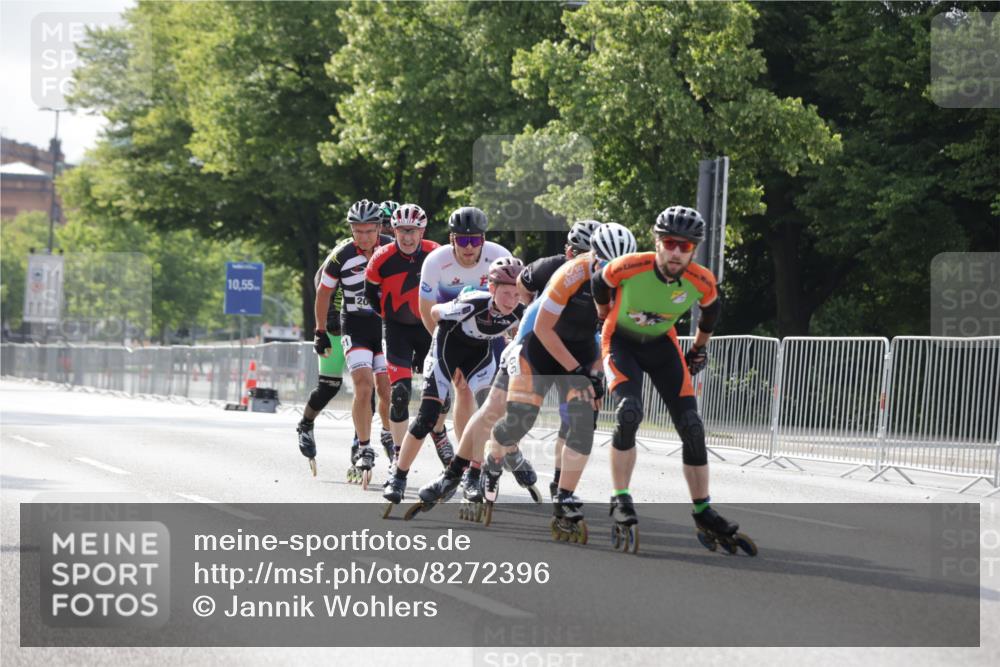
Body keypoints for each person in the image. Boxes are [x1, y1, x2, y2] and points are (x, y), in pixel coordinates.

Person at [592, 205, 742, 552]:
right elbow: (600, 282)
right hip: (621, 342)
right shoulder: (629, 266)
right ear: (657, 242)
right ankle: (621, 498)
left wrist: (699, 351)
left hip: (662, 346)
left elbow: (711, 311)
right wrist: (602, 315)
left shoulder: (701, 281)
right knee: (630, 411)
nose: (676, 252)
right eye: (670, 243)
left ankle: (703, 509)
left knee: (691, 424)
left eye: (686, 246)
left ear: (694, 249)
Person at [488, 223, 637, 543]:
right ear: (592, 257)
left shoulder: (630, 281)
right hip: (540, 344)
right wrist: (576, 371)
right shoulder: (570, 273)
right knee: (519, 421)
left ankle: (563, 492)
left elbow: (613, 335)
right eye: (604, 265)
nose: (610, 274)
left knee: (582, 421)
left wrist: (596, 374)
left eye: (618, 267)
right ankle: (494, 453)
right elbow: (543, 328)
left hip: (583, 348)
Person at [382, 260, 525, 514]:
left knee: (487, 414)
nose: (511, 300)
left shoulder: (519, 311)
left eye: (516, 293)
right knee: (427, 417)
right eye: (505, 293)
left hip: (479, 355)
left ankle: (472, 475)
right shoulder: (473, 302)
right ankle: (399, 476)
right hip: (446, 350)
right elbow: (436, 312)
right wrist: (443, 353)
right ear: (491, 288)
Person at [414, 206, 511, 465]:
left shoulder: (499, 256)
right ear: (451, 240)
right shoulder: (436, 261)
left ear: (484, 240)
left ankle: (497, 453)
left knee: (498, 396)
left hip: (491, 332)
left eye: (475, 240)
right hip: (454, 331)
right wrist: (445, 350)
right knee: (463, 389)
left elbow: (515, 300)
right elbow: (426, 310)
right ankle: (466, 460)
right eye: (462, 240)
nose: (469, 247)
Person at [311, 199, 393, 486]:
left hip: (385, 325)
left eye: (369, 231)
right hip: (355, 325)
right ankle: (363, 445)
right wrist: (321, 330)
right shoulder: (342, 254)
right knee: (363, 384)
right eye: (357, 231)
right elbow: (323, 292)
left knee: (386, 387)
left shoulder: (391, 250)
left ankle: (388, 433)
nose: (363, 237)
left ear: (380, 227)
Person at [365, 204, 439, 464]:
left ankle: (441, 439)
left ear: (422, 231)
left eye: (413, 231)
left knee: (441, 395)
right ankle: (398, 456)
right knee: (399, 395)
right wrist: (388, 317)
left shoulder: (436, 254)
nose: (407, 238)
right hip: (396, 331)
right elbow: (370, 295)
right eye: (401, 231)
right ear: (393, 230)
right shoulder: (381, 257)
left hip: (429, 329)